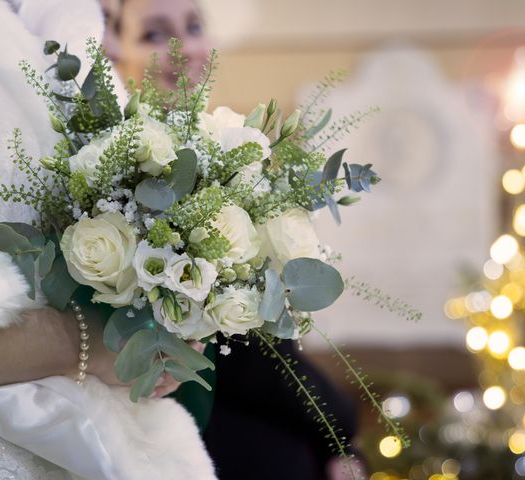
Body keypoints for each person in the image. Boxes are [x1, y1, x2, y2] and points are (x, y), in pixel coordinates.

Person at [0, 0, 215, 478]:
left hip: (122, 442)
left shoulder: (70, 35)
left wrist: (175, 317)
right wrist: (87, 343)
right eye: (155, 34)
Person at [117, 2, 365, 478]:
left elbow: (270, 355)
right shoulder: (130, 179)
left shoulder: (225, 151)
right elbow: (250, 364)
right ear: (114, 48)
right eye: (153, 34)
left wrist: (340, 438)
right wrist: (340, 427)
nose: (183, 48)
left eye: (193, 27)